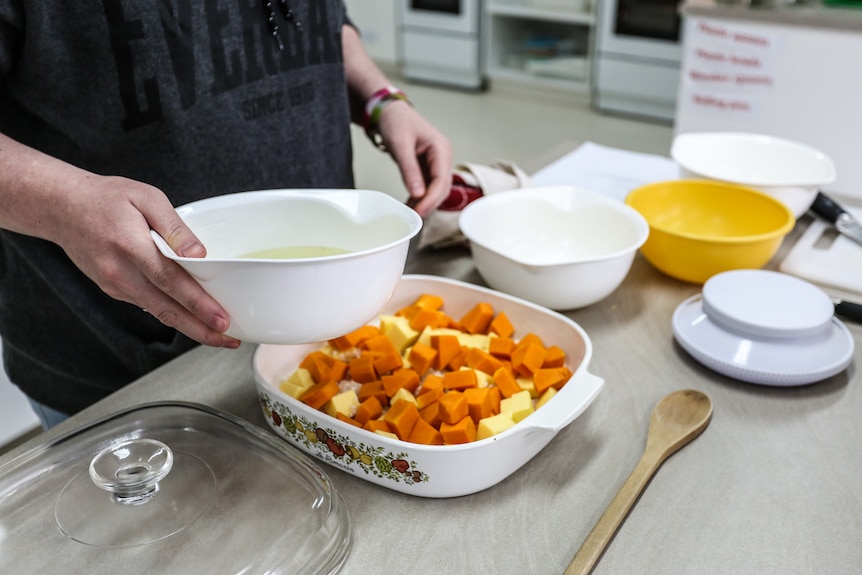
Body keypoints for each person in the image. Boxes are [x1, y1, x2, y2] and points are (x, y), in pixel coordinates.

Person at [0, 1, 453, 429]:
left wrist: (379, 99)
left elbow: (323, 19)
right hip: (120, 364)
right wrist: (66, 203)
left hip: (326, 338)